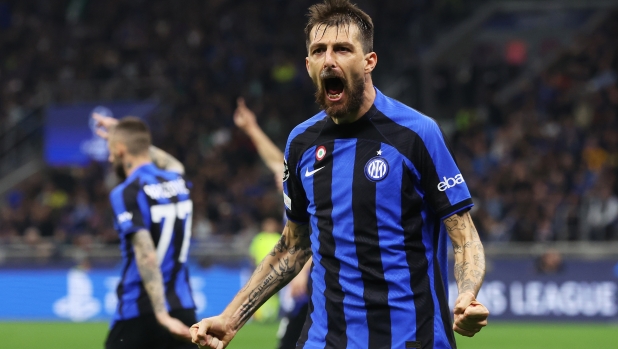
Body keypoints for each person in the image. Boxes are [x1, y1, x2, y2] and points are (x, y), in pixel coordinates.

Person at [192, 1, 489, 348]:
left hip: (411, 338)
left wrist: (467, 295)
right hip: (326, 338)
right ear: (308, 65)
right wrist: (230, 319)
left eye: (342, 49)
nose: (329, 59)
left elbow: (464, 235)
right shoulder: (301, 143)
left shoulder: (416, 134)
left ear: (369, 61)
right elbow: (293, 245)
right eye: (319, 51)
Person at [94, 114, 196, 349]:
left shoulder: (126, 192)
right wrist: (134, 140)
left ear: (121, 150)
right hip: (183, 308)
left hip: (140, 313)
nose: (110, 158)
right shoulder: (177, 181)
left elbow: (146, 253)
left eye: (111, 150)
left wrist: (161, 316)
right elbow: (172, 163)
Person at [234, 98, 311, 349]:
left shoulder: (310, 193)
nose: (280, 175)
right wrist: (251, 129)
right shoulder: (294, 188)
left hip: (313, 283)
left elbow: (319, 233)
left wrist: (304, 273)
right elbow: (276, 161)